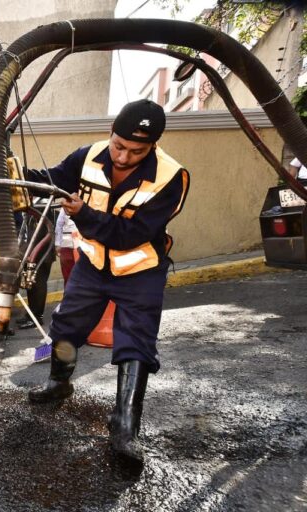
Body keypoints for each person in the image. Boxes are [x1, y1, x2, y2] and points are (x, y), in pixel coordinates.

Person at [25, 99, 190, 464]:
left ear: (153, 147)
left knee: (136, 342)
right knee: (67, 325)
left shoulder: (170, 176)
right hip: (93, 263)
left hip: (140, 269)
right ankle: (59, 382)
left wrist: (84, 214)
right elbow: (52, 180)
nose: (123, 157)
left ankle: (125, 427)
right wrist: (15, 173)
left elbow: (131, 233)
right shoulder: (89, 155)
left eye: (136, 151)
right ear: (110, 133)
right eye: (119, 145)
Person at [16, 204, 56, 330]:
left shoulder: (42, 206)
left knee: (38, 284)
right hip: (31, 253)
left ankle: (37, 316)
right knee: (30, 285)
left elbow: (40, 233)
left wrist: (30, 251)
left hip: (41, 254)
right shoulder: (32, 208)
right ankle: (31, 315)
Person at [54, 207, 77, 282]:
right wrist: (58, 244)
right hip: (70, 245)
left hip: (68, 245)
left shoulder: (65, 207)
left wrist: (58, 244)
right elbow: (59, 225)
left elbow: (59, 224)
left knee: (68, 276)